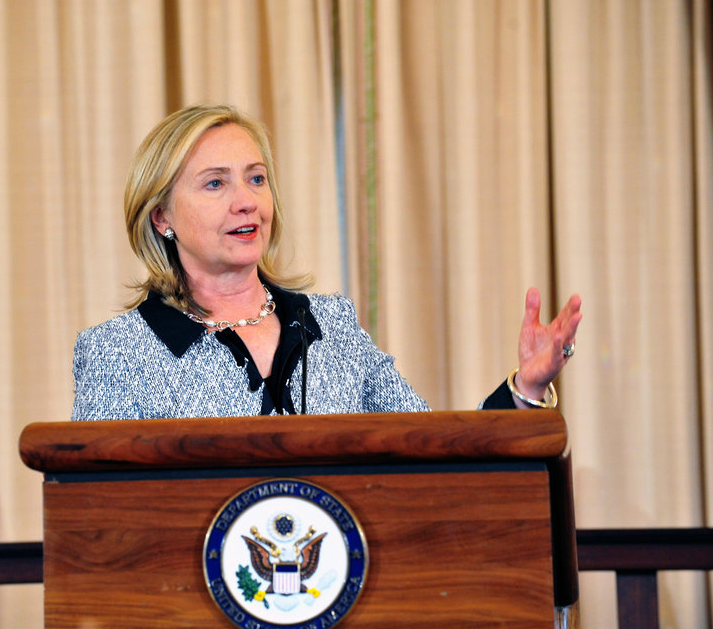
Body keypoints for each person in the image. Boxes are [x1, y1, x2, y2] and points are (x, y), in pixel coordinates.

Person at [71, 104, 581, 421]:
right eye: (215, 183)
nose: (246, 201)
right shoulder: (116, 352)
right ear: (162, 217)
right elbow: (103, 519)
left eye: (256, 178)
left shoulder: (329, 325)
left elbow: (430, 452)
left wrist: (524, 389)